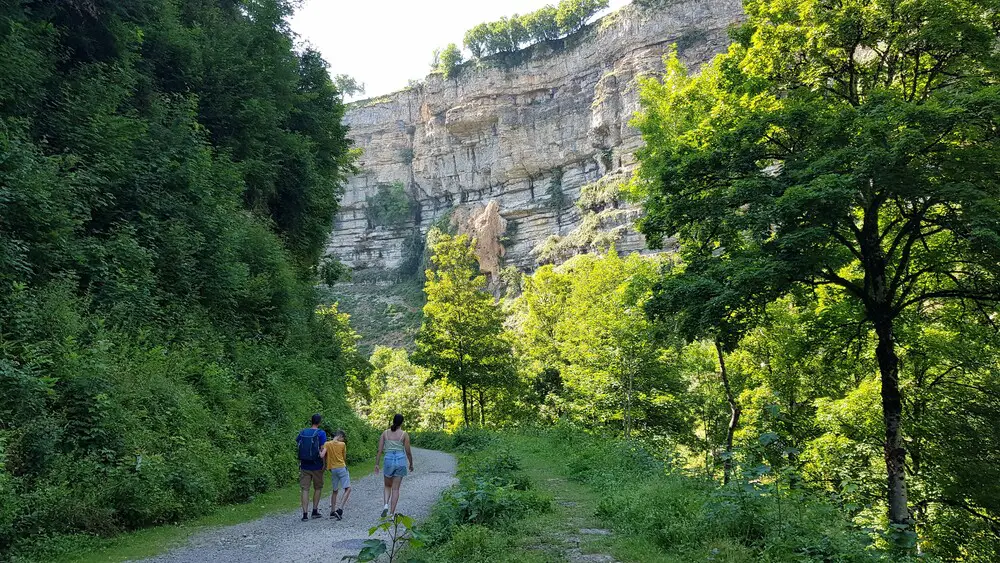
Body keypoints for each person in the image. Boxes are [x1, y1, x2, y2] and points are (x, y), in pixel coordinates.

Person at [374, 413, 414, 518]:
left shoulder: (385, 433)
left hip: (388, 460)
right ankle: (391, 514)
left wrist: (377, 464)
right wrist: (411, 464)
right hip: (400, 461)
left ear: (393, 420)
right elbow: (408, 451)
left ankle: (385, 505)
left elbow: (379, 450)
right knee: (395, 489)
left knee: (387, 486)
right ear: (402, 422)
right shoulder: (404, 434)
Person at [296, 414, 327, 521]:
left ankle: (304, 514)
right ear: (319, 422)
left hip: (304, 465)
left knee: (305, 489)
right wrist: (325, 463)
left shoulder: (303, 432)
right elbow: (322, 448)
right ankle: (314, 511)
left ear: (311, 421)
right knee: (318, 488)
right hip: (317, 465)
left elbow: (298, 443)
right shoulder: (321, 433)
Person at [321, 429, 351, 520]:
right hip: (341, 467)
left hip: (333, 469)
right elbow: (344, 457)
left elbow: (322, 455)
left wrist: (319, 451)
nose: (343, 440)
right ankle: (340, 509)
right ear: (340, 436)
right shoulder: (342, 445)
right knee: (348, 488)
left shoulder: (327, 444)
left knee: (335, 490)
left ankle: (332, 512)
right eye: (343, 438)